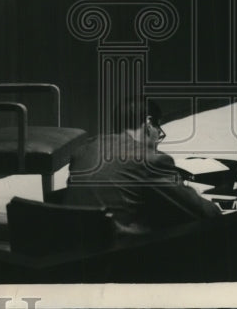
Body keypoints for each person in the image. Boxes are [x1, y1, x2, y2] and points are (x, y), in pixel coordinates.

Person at [65, 97, 220, 237]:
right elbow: (204, 213)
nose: (157, 143)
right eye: (159, 132)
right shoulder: (149, 160)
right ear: (148, 123)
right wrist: (193, 194)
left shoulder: (85, 147)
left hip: (70, 244)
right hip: (115, 254)